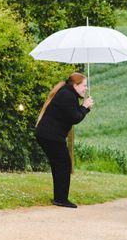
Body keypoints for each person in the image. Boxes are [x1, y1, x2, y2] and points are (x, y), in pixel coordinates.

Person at [34, 72, 94, 208]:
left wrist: (85, 108)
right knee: (64, 164)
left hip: (48, 135)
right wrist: (85, 107)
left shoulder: (67, 94)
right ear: (75, 85)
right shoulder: (67, 96)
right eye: (84, 85)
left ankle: (59, 198)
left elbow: (73, 114)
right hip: (51, 136)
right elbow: (75, 117)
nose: (86, 89)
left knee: (60, 164)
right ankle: (61, 199)